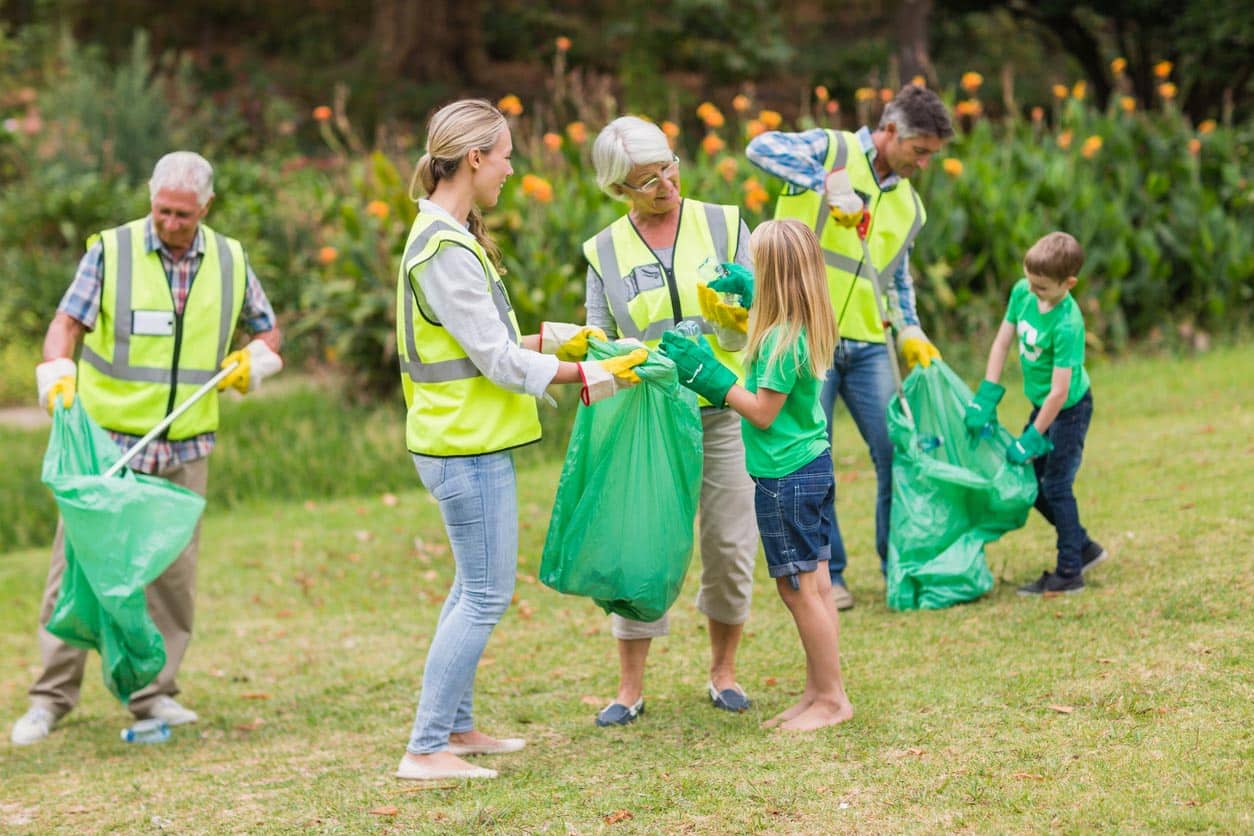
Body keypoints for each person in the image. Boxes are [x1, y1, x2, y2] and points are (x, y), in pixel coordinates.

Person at [395, 99, 646, 781]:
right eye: (505, 154)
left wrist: (565, 339)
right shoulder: (444, 249)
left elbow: (491, 343)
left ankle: (455, 728)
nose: (511, 168)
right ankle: (425, 750)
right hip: (462, 446)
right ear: (475, 158)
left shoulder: (447, 237)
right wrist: (593, 376)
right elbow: (497, 363)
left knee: (470, 589)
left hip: (466, 441)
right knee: (483, 595)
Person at [12, 151, 283, 746]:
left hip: (186, 446)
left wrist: (256, 361)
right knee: (78, 570)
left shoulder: (231, 260)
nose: (170, 222)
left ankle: (153, 696)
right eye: (162, 210)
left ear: (205, 208)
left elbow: (266, 328)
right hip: (110, 447)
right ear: (150, 198)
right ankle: (50, 700)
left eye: (183, 215)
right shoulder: (111, 251)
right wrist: (56, 366)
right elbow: (67, 321)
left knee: (170, 577)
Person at [746, 84, 953, 610]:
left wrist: (911, 330)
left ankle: (897, 562)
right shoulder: (833, 149)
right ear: (888, 132)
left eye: (931, 154)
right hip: (803, 339)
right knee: (815, 457)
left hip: (865, 343)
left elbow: (897, 279)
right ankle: (830, 574)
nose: (924, 163)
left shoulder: (910, 204)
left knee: (894, 452)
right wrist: (828, 186)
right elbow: (762, 148)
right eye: (919, 151)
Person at [582, 115, 759, 726]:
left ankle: (724, 672)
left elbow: (769, 303)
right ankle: (630, 689)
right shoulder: (605, 250)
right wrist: (611, 365)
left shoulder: (724, 222)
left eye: (669, 167)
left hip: (724, 412)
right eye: (647, 179)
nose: (665, 184)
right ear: (619, 190)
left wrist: (745, 305)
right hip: (651, 420)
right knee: (641, 547)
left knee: (731, 546)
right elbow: (599, 335)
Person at [661, 219, 853, 731]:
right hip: (812, 465)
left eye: (755, 268)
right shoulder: (802, 320)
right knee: (814, 582)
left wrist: (710, 375)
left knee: (797, 589)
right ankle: (818, 691)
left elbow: (762, 411)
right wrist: (750, 296)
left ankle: (832, 699)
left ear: (775, 277)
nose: (749, 272)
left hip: (785, 477)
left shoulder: (777, 342)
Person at [964, 231, 1107, 595]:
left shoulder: (1068, 322)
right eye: (1030, 281)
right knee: (1033, 483)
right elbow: (1001, 342)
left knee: (1056, 484)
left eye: (1041, 287)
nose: (1032, 290)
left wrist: (1032, 437)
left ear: (1068, 283)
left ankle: (1070, 571)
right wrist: (987, 392)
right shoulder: (1022, 293)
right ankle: (1083, 546)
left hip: (1069, 411)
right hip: (1043, 407)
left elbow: (1060, 392)